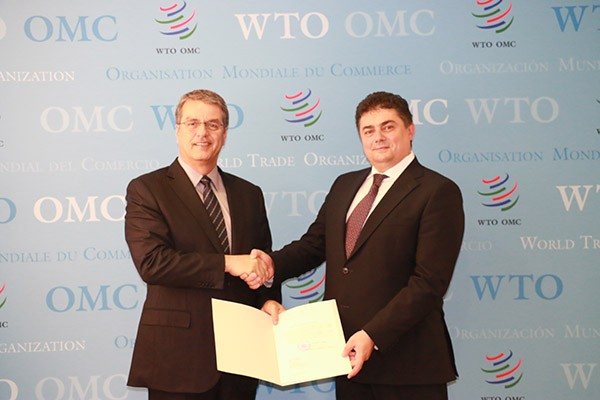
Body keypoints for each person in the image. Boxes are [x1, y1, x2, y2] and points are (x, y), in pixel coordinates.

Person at [256, 91, 465, 400]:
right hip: (348, 357)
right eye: (369, 130)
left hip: (408, 364)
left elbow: (429, 283)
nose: (378, 137)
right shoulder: (345, 185)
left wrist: (372, 334)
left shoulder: (438, 191)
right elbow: (313, 246)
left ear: (410, 130)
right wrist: (269, 266)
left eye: (388, 127)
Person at [124, 89, 275, 399]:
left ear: (225, 134)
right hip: (178, 358)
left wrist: (268, 299)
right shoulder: (147, 189)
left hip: (241, 356)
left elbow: (262, 259)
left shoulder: (249, 194)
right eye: (192, 123)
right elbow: (152, 263)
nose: (202, 133)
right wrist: (228, 263)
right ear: (177, 130)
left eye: (213, 124)